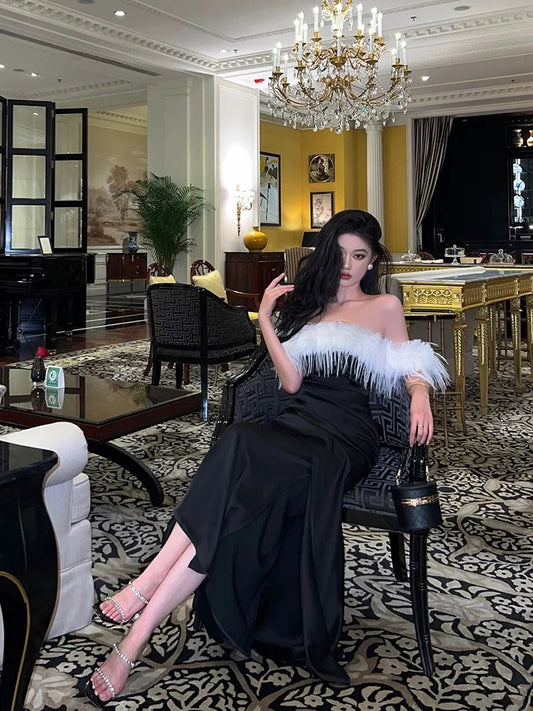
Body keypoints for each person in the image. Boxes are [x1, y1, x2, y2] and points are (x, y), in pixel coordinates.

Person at [84, 209, 448, 706]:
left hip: (344, 438)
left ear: (371, 261)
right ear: (327, 255)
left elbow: (410, 364)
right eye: (340, 254)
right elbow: (291, 383)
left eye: (359, 256)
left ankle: (145, 589)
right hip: (296, 424)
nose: (348, 265)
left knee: (239, 444)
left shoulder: (384, 305)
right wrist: (269, 322)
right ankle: (136, 637)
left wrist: (421, 393)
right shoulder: (311, 306)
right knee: (234, 482)